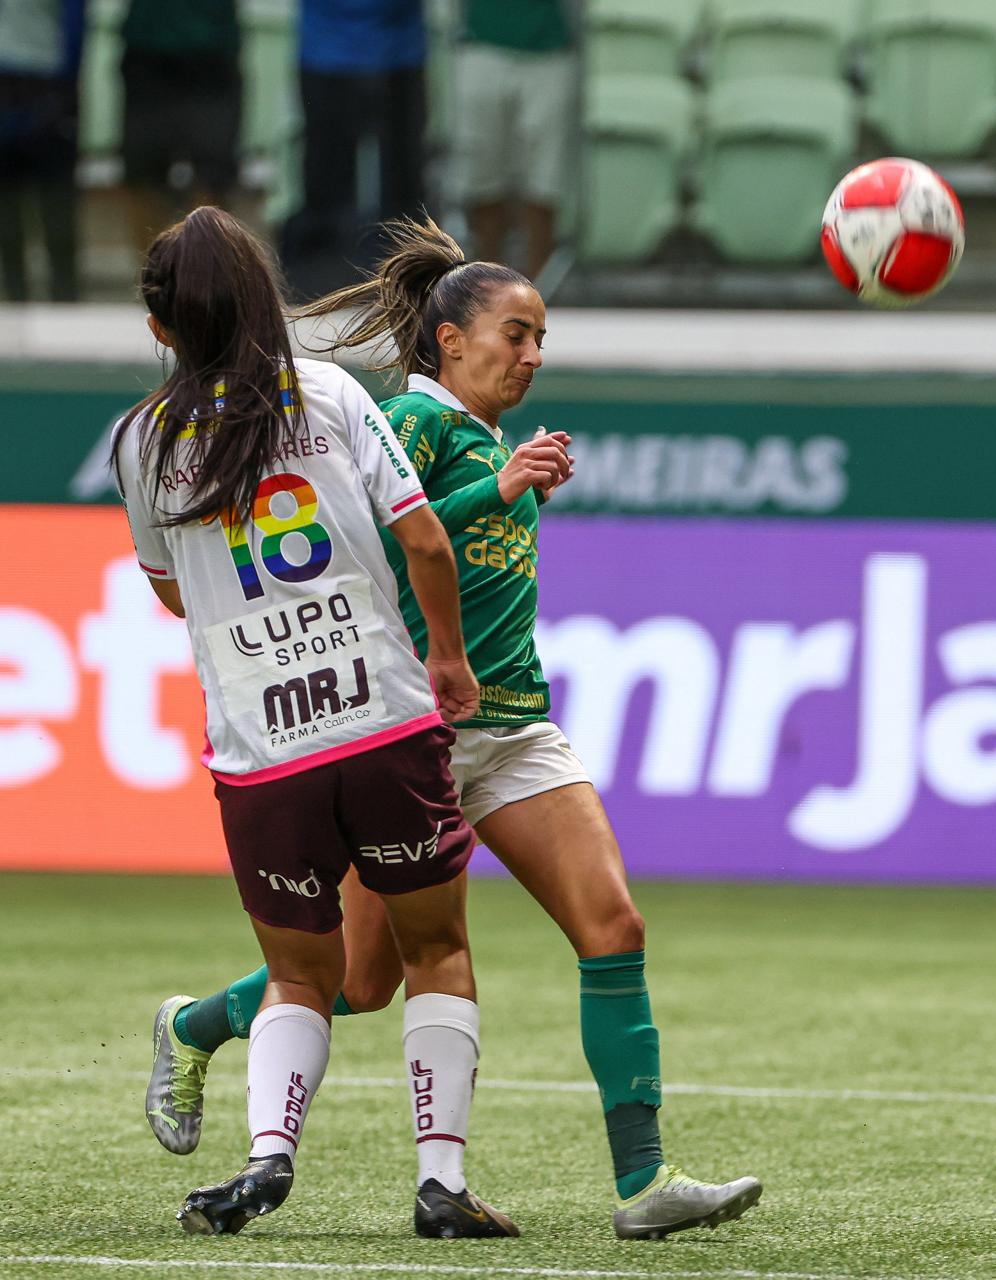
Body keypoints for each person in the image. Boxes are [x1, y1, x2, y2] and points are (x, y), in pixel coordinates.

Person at [150, 216, 762, 1241]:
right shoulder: (409, 420)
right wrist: (500, 488)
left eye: (541, 339)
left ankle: (644, 1179)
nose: (533, 354)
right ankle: (194, 1023)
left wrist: (503, 478)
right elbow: (378, 555)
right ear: (450, 341)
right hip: (408, 732)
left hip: (513, 728)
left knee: (613, 927)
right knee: (360, 979)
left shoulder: (482, 439)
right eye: (516, 333)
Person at [119, 206, 519, 1240]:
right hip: (381, 722)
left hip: (261, 751)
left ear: (161, 328)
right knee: (434, 951)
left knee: (305, 972)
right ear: (267, 297)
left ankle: (268, 1156)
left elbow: (171, 593)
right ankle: (440, 1182)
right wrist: (447, 659)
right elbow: (423, 539)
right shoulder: (331, 392)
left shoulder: (142, 440)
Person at [281, 0, 427, 298]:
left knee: (402, 196)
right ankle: (320, 295)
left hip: (398, 53)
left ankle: (406, 295)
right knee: (325, 191)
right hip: (326, 53)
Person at [453, 0, 576, 280]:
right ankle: (487, 283)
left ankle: (538, 287)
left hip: (549, 51)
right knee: (482, 174)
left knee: (545, 178)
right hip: (481, 44)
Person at [118, 0, 242, 252]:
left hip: (211, 49)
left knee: (212, 175)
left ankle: (205, 271)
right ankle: (152, 272)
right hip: (148, 45)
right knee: (144, 171)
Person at [0, 0, 85, 300]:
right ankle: (15, 295)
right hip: (15, 78)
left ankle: (64, 295)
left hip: (48, 79)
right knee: (8, 203)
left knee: (56, 202)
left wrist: (67, 82)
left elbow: (75, 22)